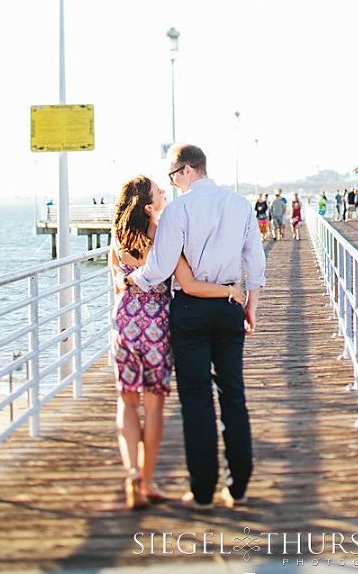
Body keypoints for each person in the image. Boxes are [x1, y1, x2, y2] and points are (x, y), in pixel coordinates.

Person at [127, 144, 266, 510]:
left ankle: (202, 490)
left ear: (187, 170)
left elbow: (160, 265)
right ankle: (239, 487)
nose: (172, 184)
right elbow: (255, 260)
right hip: (229, 304)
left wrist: (131, 281)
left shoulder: (179, 209)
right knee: (233, 393)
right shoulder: (240, 204)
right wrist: (249, 306)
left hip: (189, 310)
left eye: (174, 177)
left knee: (196, 399)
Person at [110, 175, 245, 510]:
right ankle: (150, 478)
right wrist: (231, 291)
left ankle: (132, 474)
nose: (165, 194)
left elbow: (119, 284)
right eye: (159, 192)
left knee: (127, 403)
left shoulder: (117, 237)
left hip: (123, 323)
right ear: (148, 205)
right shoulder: (162, 236)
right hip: (155, 325)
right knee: (153, 403)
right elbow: (188, 282)